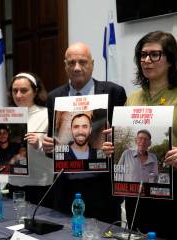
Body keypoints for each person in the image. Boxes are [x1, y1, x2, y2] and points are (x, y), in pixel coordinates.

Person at [103, 31, 177, 239]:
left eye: (154, 55)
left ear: (170, 60)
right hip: (138, 196)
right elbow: (121, 145)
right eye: (143, 55)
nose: (147, 60)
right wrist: (111, 148)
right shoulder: (132, 99)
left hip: (176, 193)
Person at [42, 42, 126, 224]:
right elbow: (54, 145)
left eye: (82, 62)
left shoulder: (114, 92)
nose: (77, 67)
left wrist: (116, 141)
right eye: (71, 63)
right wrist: (48, 148)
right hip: (66, 190)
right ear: (65, 66)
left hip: (103, 190)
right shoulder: (54, 97)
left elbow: (124, 145)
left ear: (92, 64)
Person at [0, 72, 53, 206]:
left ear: (35, 91)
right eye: (15, 91)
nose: (18, 95)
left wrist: (39, 145)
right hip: (15, 182)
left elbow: (58, 150)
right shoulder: (5, 115)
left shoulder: (47, 114)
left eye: (24, 90)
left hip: (41, 183)